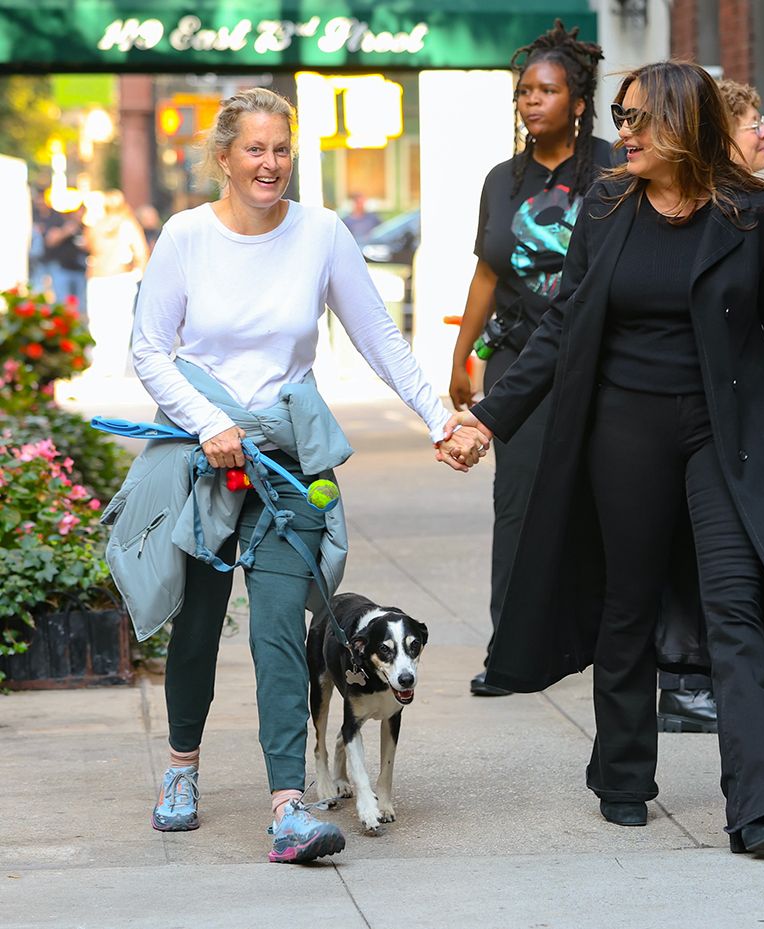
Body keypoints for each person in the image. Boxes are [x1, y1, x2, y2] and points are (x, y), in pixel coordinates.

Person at [448, 61, 764, 854]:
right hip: (624, 424)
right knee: (627, 603)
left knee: (733, 604)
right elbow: (562, 324)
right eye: (619, 118)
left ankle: (758, 803)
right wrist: (489, 417)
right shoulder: (607, 204)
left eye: (635, 121)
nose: (620, 134)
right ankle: (623, 775)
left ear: (682, 126)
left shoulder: (752, 212)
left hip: (722, 431)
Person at [127, 87, 482, 864]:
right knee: (195, 629)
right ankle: (182, 769)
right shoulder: (186, 237)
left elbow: (377, 335)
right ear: (223, 157)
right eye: (254, 149)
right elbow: (149, 349)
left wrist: (438, 417)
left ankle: (289, 803)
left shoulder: (321, 232)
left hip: (287, 468)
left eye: (282, 149)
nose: (271, 164)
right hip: (204, 459)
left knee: (281, 633)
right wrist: (208, 423)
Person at [448, 20, 612, 697]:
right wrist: (460, 357)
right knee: (515, 506)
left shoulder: (612, 167)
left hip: (600, 361)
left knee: (605, 502)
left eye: (547, 91)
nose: (532, 101)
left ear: (577, 102)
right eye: (523, 91)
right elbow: (488, 272)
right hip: (516, 359)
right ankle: (510, 652)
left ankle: (613, 639)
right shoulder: (500, 180)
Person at [656, 79, 764, 734]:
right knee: (689, 553)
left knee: (729, 558)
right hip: (683, 419)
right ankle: (682, 680)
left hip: (737, 420)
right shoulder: (679, 215)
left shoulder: (757, 212)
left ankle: (730, 674)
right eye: (753, 123)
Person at [85, 190, 149, 376]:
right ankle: (114, 363)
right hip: (118, 277)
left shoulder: (101, 224)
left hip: (103, 277)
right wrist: (138, 274)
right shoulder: (126, 224)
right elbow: (141, 251)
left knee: (100, 321)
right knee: (117, 321)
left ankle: (103, 362)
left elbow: (90, 245)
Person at [43, 203, 89, 319]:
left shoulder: (84, 227)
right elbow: (50, 240)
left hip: (79, 270)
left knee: (80, 306)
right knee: (62, 304)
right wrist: (66, 231)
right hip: (62, 268)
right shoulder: (60, 223)